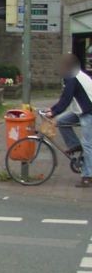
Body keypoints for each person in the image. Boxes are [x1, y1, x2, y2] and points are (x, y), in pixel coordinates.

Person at [45, 54, 92, 188]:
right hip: (81, 109)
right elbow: (64, 97)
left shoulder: (73, 76)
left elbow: (67, 98)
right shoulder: (73, 75)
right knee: (61, 122)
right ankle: (75, 145)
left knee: (88, 144)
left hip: (89, 111)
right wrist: (53, 109)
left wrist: (53, 112)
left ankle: (87, 176)